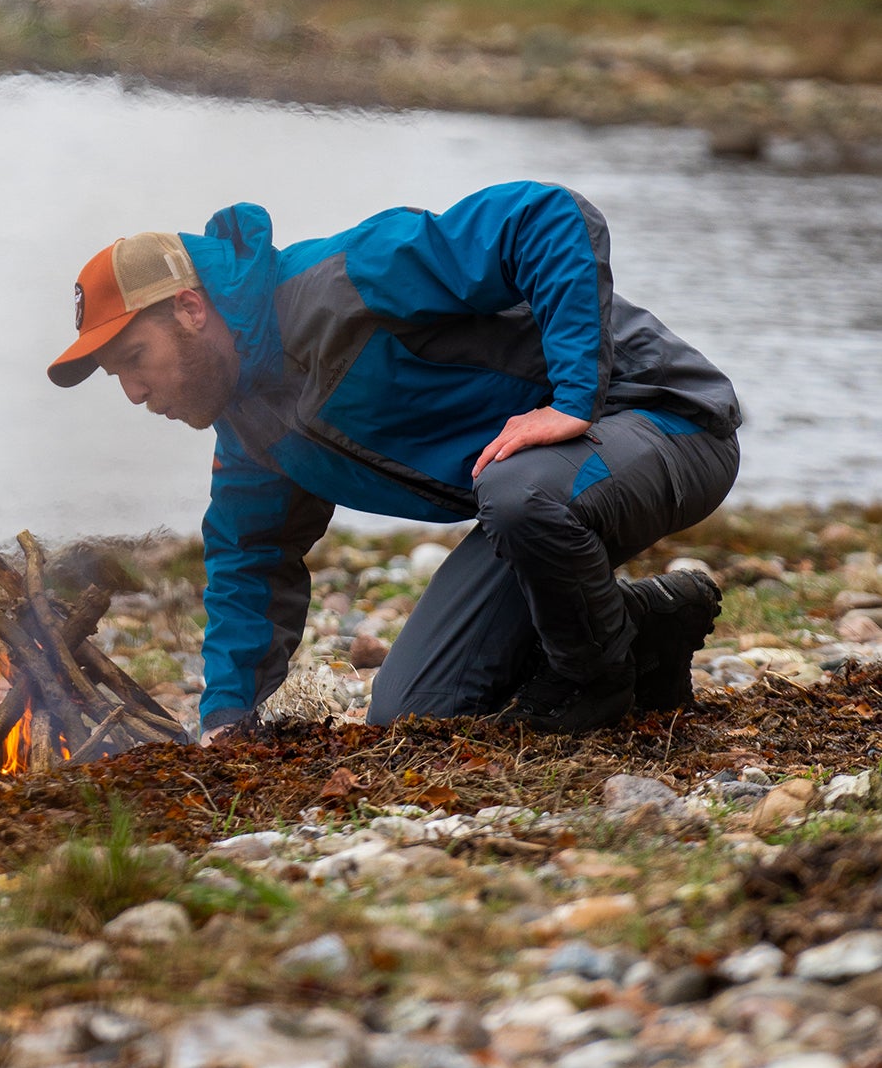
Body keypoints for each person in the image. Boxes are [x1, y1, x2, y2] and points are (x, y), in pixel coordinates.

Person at [47, 185, 740, 740]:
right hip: (532, 496)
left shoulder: (346, 282)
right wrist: (227, 719)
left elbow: (543, 216)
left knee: (519, 495)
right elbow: (249, 558)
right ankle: (644, 624)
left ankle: (599, 691)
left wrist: (573, 398)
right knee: (414, 714)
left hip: (662, 415)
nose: (135, 392)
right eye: (118, 377)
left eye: (135, 359)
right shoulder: (250, 420)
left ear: (190, 309)